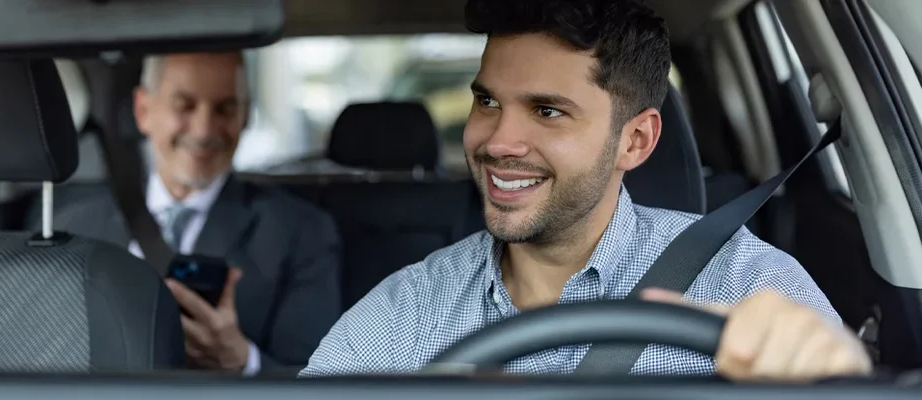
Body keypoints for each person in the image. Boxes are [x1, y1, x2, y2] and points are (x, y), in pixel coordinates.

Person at [299, 0, 872, 381]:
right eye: (487, 101)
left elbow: (824, 374)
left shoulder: (743, 284)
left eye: (547, 111)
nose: (499, 141)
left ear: (636, 142)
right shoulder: (412, 309)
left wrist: (840, 377)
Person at [54, 52, 342, 375]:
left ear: (245, 117)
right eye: (184, 105)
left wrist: (244, 362)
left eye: (225, 109)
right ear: (143, 110)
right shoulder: (70, 229)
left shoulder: (300, 232)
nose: (204, 130)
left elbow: (315, 381)